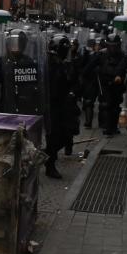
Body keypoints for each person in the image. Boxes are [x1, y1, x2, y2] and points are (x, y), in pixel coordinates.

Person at [45, 34, 78, 179]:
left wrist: (72, 92)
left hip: (64, 105)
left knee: (66, 136)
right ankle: (50, 164)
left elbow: (73, 81)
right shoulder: (49, 65)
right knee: (54, 136)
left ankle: (46, 156)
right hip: (52, 106)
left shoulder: (63, 65)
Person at [83, 34, 126, 136]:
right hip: (104, 83)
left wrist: (121, 76)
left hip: (117, 83)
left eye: (114, 46)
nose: (112, 48)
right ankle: (107, 127)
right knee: (107, 105)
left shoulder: (122, 55)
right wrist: (91, 73)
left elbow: (125, 67)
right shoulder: (101, 54)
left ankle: (113, 127)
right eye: (110, 46)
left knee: (115, 106)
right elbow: (89, 67)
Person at [0, 30, 45, 115]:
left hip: (24, 106)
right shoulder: (3, 61)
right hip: (7, 105)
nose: (16, 46)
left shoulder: (28, 61)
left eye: (20, 44)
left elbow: (35, 84)